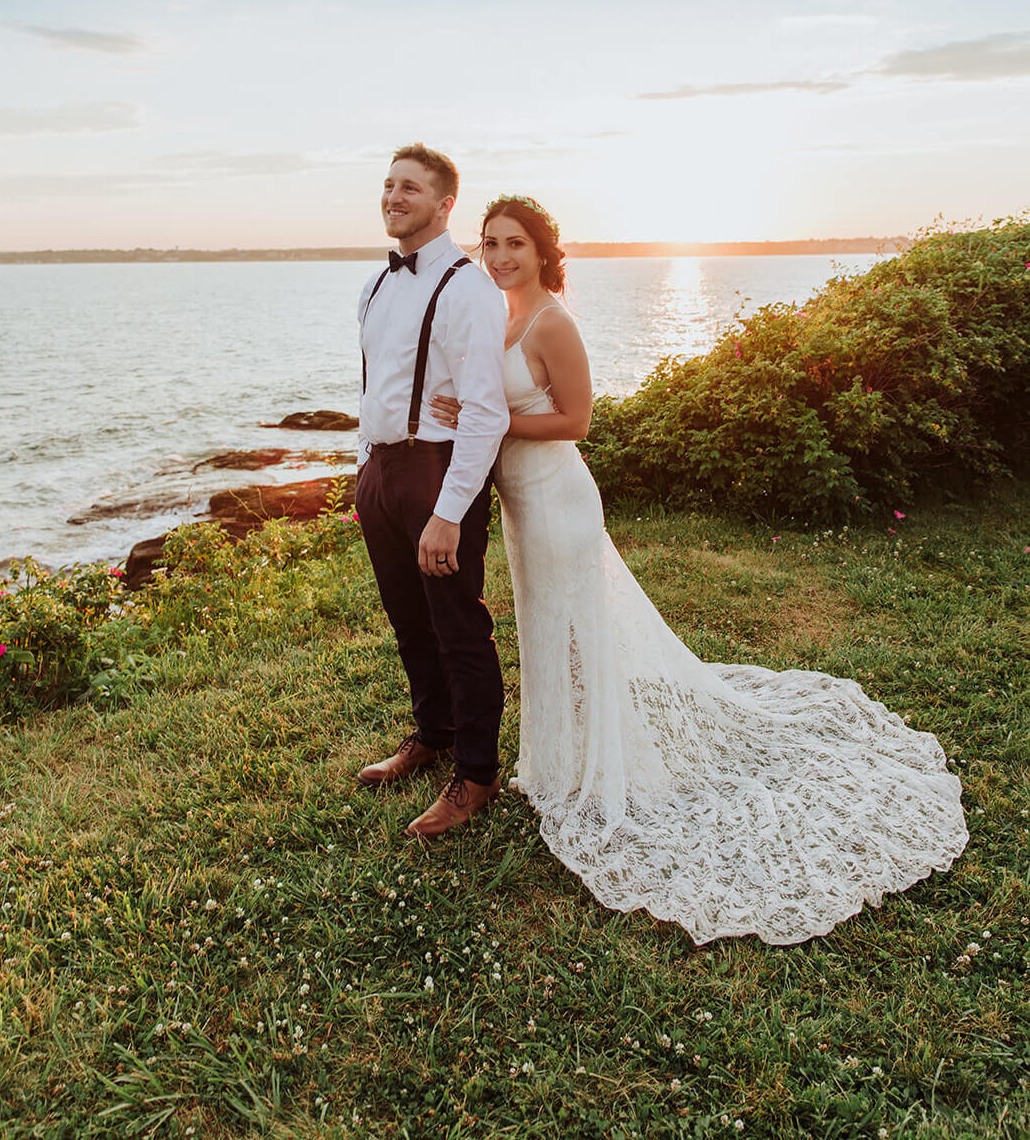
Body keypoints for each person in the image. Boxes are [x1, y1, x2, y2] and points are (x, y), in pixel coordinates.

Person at [430, 195, 969, 945]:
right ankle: (558, 761)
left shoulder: (551, 320)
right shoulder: (498, 315)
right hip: (520, 504)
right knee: (548, 631)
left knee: (575, 630)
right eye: (489, 244)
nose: (498, 256)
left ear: (543, 251)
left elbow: (577, 421)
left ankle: (596, 769)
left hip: (556, 499)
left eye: (514, 243)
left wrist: (490, 420)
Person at [353, 145, 509, 840]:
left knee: (457, 628)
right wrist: (365, 469)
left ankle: (476, 774)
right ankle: (433, 733)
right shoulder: (376, 286)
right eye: (388, 185)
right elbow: (374, 388)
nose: (394, 196)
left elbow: (485, 411)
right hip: (382, 473)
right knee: (408, 620)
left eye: (409, 188)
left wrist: (448, 513)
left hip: (437, 474)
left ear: (444, 203)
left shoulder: (468, 288)